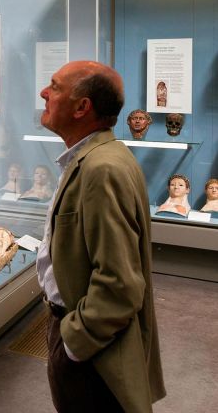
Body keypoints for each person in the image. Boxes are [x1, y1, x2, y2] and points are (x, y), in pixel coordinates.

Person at [37, 61, 164, 412]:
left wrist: (74, 341)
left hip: (92, 353)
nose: (44, 93)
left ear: (82, 107)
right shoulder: (94, 158)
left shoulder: (101, 169)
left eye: (55, 86)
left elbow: (120, 284)